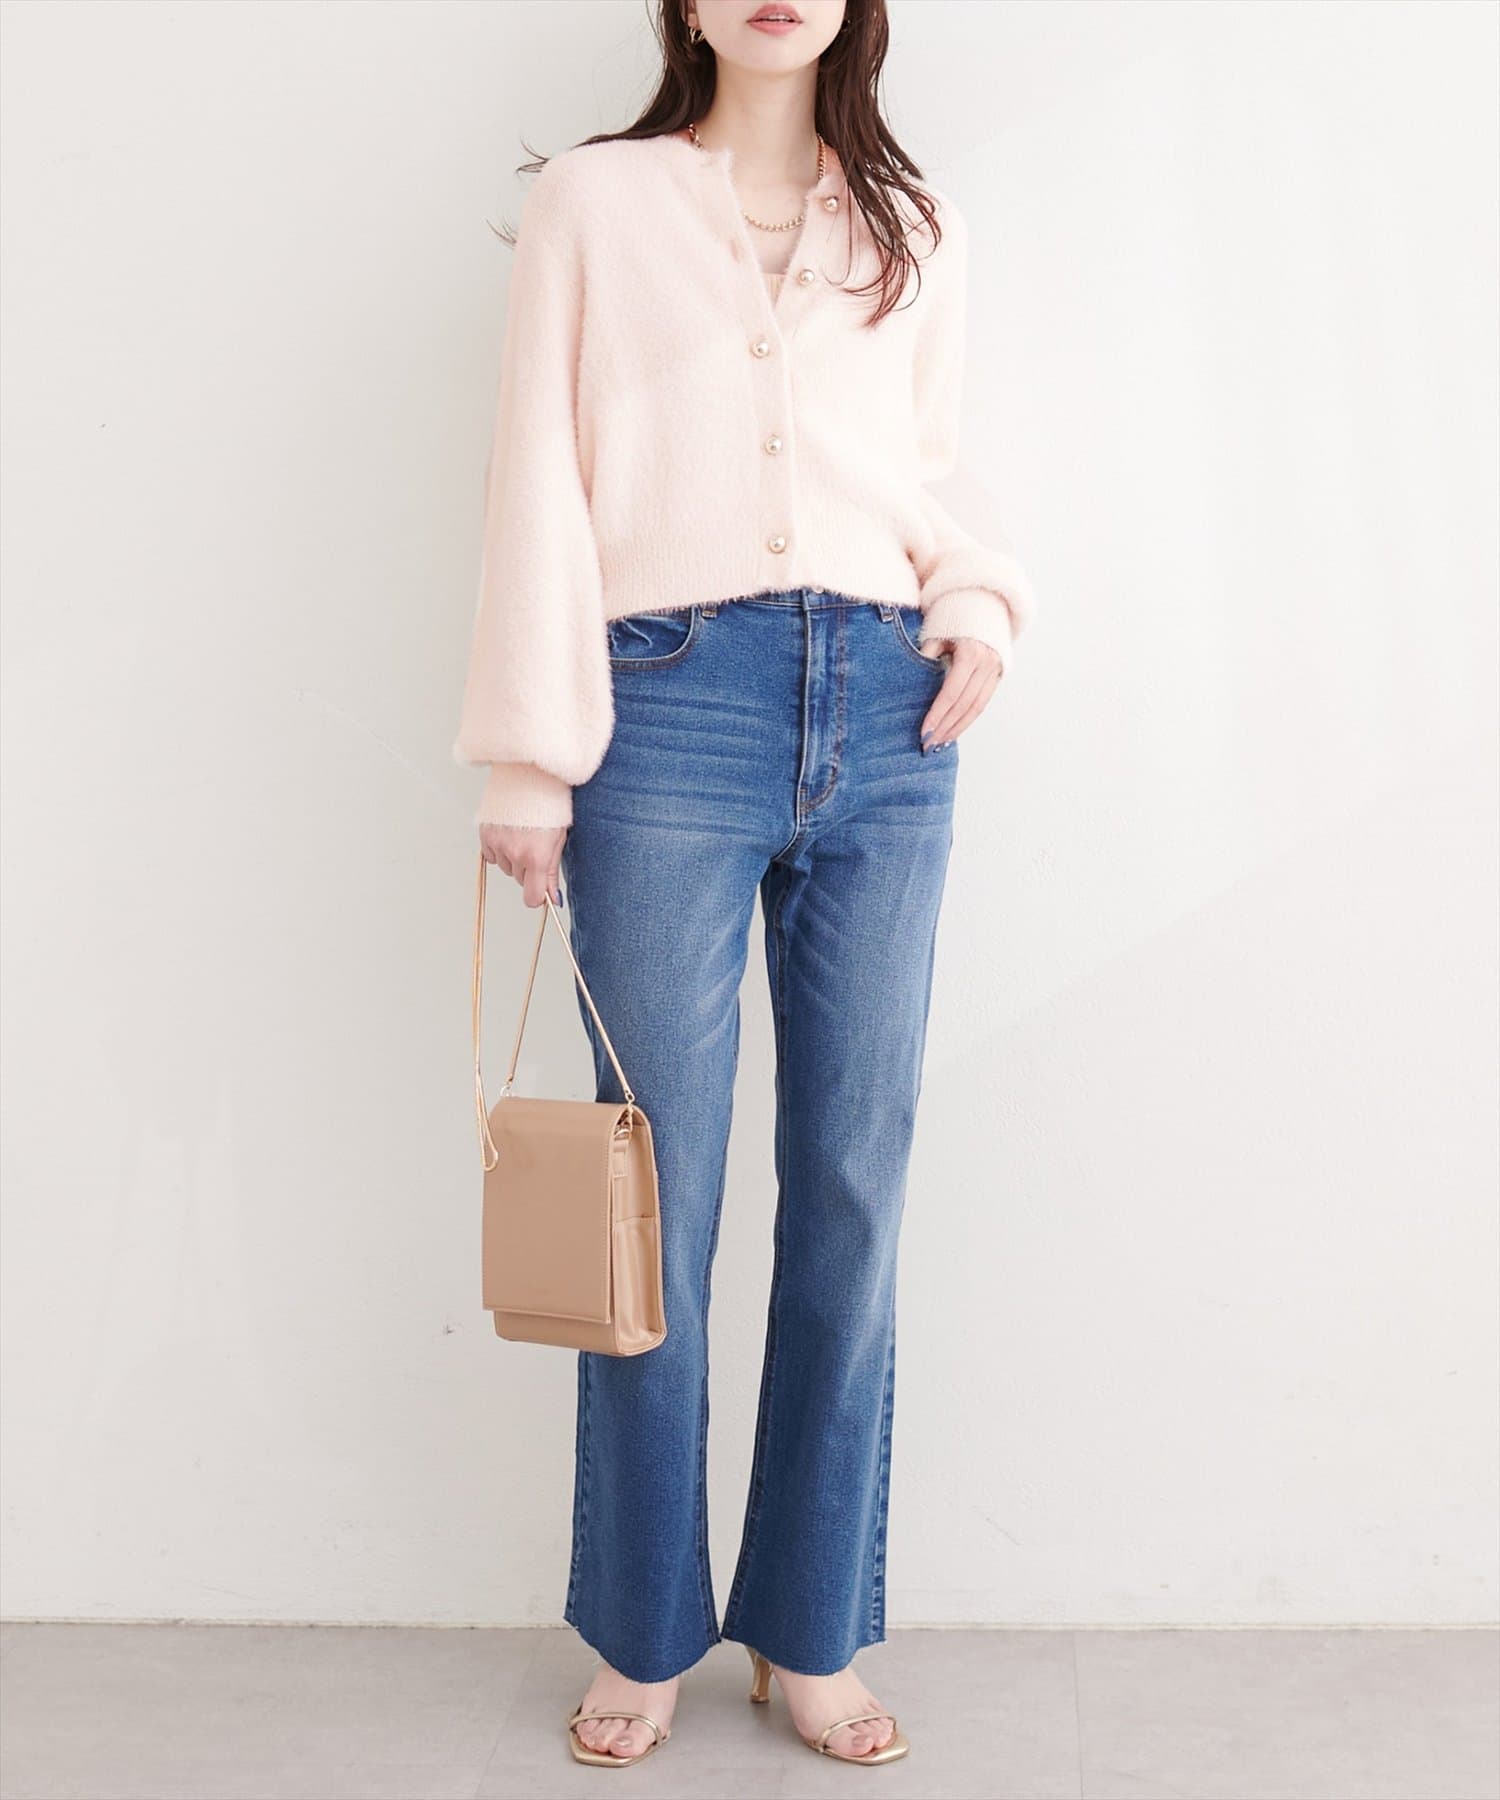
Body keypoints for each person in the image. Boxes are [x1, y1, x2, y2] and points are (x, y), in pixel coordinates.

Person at [452, 0, 1035, 1768]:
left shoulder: (912, 221)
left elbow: (923, 475)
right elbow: (540, 470)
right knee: (656, 1196)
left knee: (852, 1183)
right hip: (668, 706)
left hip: (890, 707)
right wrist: (530, 754)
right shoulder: (598, 201)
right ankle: (643, 1628)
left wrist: (977, 606)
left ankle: (810, 1630)